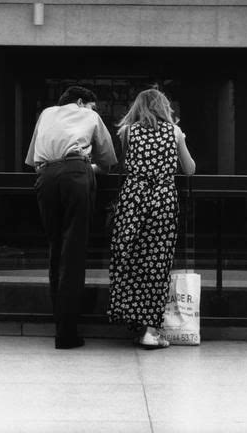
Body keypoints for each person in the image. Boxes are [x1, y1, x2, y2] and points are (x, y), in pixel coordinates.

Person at [25, 85, 117, 349]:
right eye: (92, 106)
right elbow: (108, 162)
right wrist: (89, 166)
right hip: (76, 175)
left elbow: (33, 160)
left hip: (45, 178)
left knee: (55, 250)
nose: (94, 111)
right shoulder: (88, 116)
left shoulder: (45, 114)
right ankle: (67, 332)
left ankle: (59, 322)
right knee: (74, 253)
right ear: (81, 102)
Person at [108, 88, 195, 350]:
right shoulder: (175, 132)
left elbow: (123, 165)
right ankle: (151, 331)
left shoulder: (127, 132)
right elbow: (189, 169)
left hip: (133, 199)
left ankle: (133, 320)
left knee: (130, 259)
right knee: (157, 263)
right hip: (162, 200)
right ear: (164, 107)